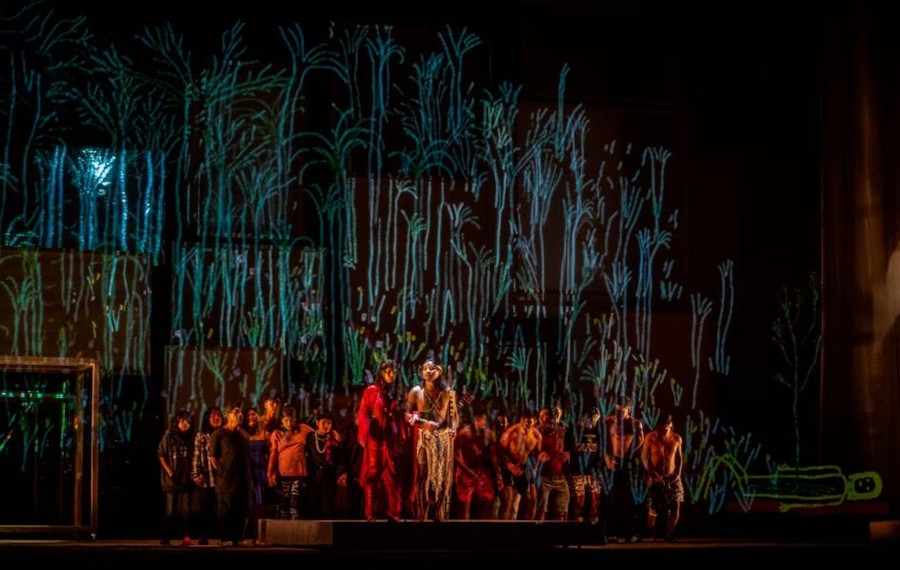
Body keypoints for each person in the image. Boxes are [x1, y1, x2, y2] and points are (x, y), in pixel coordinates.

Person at [406, 357, 459, 522]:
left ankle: (439, 511)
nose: (428, 371)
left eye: (432, 368)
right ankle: (422, 512)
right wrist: (416, 419)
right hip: (424, 437)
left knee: (442, 476)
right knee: (422, 476)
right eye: (425, 369)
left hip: (442, 438)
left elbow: (454, 415)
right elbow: (407, 413)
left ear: (440, 371)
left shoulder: (448, 393)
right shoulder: (416, 392)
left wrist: (453, 428)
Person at [357, 359, 403, 522]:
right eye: (388, 371)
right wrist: (364, 433)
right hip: (376, 437)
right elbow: (363, 413)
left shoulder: (396, 393)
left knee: (392, 475)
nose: (391, 374)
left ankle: (393, 511)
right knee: (373, 473)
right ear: (381, 372)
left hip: (390, 438)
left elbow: (400, 416)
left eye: (393, 372)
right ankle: (370, 513)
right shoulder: (372, 391)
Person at [210, 403, 253, 546]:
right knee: (226, 510)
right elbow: (212, 457)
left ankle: (239, 538)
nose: (240, 415)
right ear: (228, 415)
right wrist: (222, 472)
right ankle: (225, 538)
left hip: (243, 480)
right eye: (236, 412)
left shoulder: (244, 434)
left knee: (242, 509)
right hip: (226, 480)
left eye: (241, 413)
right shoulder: (219, 434)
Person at [604, 395, 644, 543]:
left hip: (627, 463)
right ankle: (611, 533)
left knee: (629, 499)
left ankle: (629, 533)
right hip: (613, 462)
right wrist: (608, 459)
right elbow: (602, 442)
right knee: (612, 499)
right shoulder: (609, 421)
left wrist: (629, 456)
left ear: (628, 409)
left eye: (622, 411)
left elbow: (640, 441)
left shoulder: (635, 423)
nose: (619, 414)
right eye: (617, 410)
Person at [641, 413, 683, 541]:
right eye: (660, 429)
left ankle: (669, 534)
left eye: (665, 430)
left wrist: (677, 474)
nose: (662, 433)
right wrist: (653, 474)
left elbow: (679, 458)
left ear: (670, 426)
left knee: (675, 505)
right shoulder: (650, 437)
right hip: (654, 476)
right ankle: (651, 534)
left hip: (672, 477)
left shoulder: (676, 438)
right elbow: (644, 458)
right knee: (653, 507)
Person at [267, 405, 314, 519]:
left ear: (295, 419)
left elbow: (319, 433)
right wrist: (270, 473)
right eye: (286, 420)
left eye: (291, 420)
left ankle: (295, 529)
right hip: (283, 473)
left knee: (295, 505)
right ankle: (283, 529)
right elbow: (273, 454)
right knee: (283, 504)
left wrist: (333, 432)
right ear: (281, 421)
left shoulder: (303, 428)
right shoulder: (277, 434)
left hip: (299, 473)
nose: (289, 423)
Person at [454, 405, 501, 519]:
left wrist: (498, 475)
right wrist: (467, 470)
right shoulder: (464, 433)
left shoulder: (489, 434)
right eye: (484, 419)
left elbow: (494, 456)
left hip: (481, 471)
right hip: (465, 472)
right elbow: (455, 456)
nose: (485, 422)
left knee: (487, 500)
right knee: (465, 505)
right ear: (477, 419)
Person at [497, 409, 544, 520]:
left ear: (534, 421)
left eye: (530, 421)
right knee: (508, 499)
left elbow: (537, 453)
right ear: (521, 420)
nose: (527, 424)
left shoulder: (537, 436)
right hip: (507, 466)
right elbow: (499, 450)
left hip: (523, 467)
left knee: (531, 499)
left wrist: (540, 458)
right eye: (525, 421)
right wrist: (510, 466)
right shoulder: (511, 432)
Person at [157, 410, 194, 545]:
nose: (186, 423)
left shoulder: (193, 437)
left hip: (187, 478)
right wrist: (169, 471)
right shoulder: (169, 436)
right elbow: (160, 454)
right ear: (177, 422)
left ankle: (186, 537)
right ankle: (166, 537)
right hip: (172, 479)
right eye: (183, 421)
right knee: (171, 509)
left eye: (188, 421)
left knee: (187, 510)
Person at [191, 406, 222, 545]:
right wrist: (196, 474)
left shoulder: (224, 434)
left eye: (218, 415)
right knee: (205, 509)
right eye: (213, 416)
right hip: (207, 476)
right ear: (207, 418)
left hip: (222, 477)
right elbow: (197, 455)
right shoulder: (202, 435)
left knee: (221, 508)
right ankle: (203, 536)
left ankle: (222, 536)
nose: (216, 418)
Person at [536, 405, 572, 521]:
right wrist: (538, 456)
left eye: (548, 418)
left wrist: (568, 454)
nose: (544, 420)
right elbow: (529, 451)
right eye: (542, 417)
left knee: (561, 511)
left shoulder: (561, 431)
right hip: (543, 477)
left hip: (560, 477)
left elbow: (569, 448)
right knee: (542, 511)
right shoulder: (536, 433)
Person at [306, 410, 345, 518]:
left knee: (327, 508)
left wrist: (340, 472)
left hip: (329, 477)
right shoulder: (310, 437)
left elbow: (341, 458)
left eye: (329, 423)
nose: (325, 425)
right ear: (317, 423)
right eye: (323, 422)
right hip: (313, 476)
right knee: (312, 506)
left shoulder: (335, 439)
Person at [570, 406, 603, 526]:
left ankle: (593, 529)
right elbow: (569, 452)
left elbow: (602, 452)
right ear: (583, 418)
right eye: (589, 418)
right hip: (578, 471)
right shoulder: (575, 431)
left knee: (595, 502)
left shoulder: (599, 433)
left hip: (594, 472)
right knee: (579, 502)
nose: (592, 420)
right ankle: (577, 529)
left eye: (594, 418)